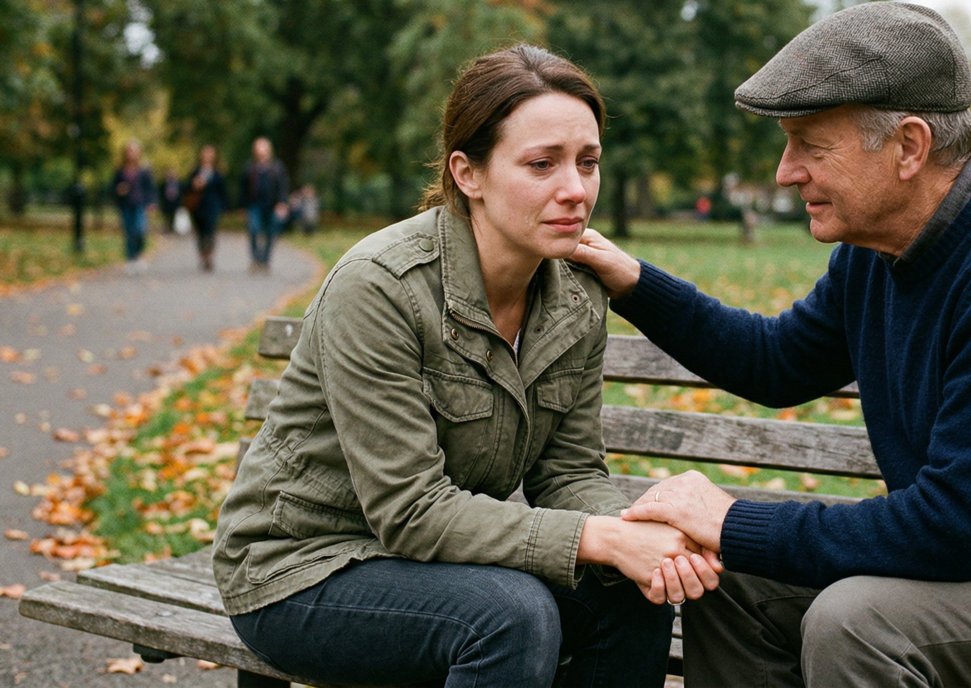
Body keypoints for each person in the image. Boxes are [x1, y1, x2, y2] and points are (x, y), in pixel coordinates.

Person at [570, 2, 971, 687]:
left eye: (811, 147)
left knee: (858, 622)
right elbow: (778, 363)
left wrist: (732, 518)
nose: (787, 172)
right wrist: (634, 282)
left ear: (909, 146)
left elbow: (949, 531)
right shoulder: (880, 250)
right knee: (733, 578)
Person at [213, 45, 720, 688]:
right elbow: (412, 511)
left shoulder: (578, 294)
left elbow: (567, 470)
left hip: (429, 564)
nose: (574, 190)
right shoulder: (381, 286)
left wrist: (634, 540)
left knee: (628, 593)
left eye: (587, 162)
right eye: (542, 164)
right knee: (510, 617)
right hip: (299, 567)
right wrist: (600, 538)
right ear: (467, 174)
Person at [238, 136, 289, 273]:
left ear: (269, 150)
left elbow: (283, 187)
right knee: (254, 230)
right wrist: (242, 207)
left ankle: (265, 261)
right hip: (254, 205)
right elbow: (243, 188)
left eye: (264, 148)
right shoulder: (249, 167)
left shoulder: (277, 167)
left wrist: (282, 204)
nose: (261, 151)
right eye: (258, 148)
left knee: (270, 233)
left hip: (272, 205)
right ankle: (255, 260)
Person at [110, 139, 156, 274]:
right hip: (125, 205)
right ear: (125, 153)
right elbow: (113, 187)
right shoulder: (120, 170)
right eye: (130, 151)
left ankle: (140, 256)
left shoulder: (144, 170)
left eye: (134, 151)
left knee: (140, 230)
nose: (132, 154)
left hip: (140, 204)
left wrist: (152, 203)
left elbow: (150, 188)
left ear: (139, 153)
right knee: (129, 232)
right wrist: (119, 189)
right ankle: (130, 259)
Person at [185, 144, 229, 272]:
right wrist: (194, 184)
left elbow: (222, 191)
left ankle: (208, 256)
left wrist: (224, 207)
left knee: (210, 231)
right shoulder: (195, 171)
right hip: (198, 206)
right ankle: (202, 254)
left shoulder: (217, 173)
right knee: (200, 232)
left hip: (212, 206)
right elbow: (186, 187)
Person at [159, 167, 182, 233]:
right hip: (166, 202)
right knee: (167, 216)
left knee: (174, 216)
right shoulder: (164, 183)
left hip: (175, 202)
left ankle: (173, 228)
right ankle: (168, 228)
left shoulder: (178, 183)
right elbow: (161, 192)